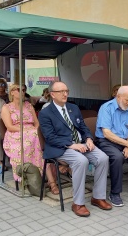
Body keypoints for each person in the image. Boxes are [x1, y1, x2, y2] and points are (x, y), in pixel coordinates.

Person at [39, 81, 111, 217]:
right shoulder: (46, 113)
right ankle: (78, 203)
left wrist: (89, 139)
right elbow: (50, 137)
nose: (65, 94)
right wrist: (71, 145)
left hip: (81, 144)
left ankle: (98, 197)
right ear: (52, 94)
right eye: (61, 92)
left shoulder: (73, 108)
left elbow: (83, 127)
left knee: (103, 158)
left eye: (67, 91)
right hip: (60, 147)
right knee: (81, 161)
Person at [95, 85, 128, 207]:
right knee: (117, 157)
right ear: (118, 96)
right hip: (106, 141)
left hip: (124, 141)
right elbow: (107, 133)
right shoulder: (106, 108)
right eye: (127, 100)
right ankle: (114, 193)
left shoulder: (127, 109)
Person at [1, 84, 57, 190]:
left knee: (39, 140)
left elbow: (36, 123)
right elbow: (9, 126)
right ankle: (28, 177)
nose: (22, 92)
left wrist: (35, 131)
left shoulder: (29, 105)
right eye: (19, 90)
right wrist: (27, 131)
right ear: (12, 92)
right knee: (35, 142)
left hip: (32, 133)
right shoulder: (6, 107)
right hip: (15, 134)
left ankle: (51, 181)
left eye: (24, 90)